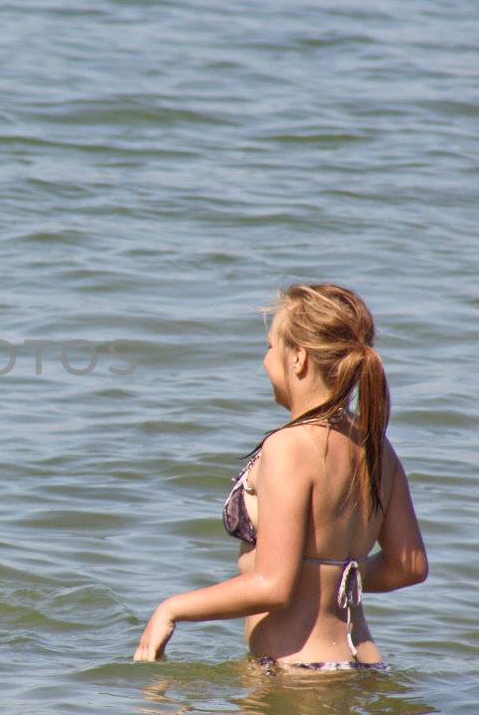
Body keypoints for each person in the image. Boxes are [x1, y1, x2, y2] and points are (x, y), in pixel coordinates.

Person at [134, 284, 428, 670]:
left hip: (297, 672)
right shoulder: (376, 447)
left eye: (271, 347)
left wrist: (171, 609)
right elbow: (408, 567)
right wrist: (334, 578)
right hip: (364, 667)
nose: (264, 361)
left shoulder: (289, 448)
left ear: (299, 358)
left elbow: (273, 585)